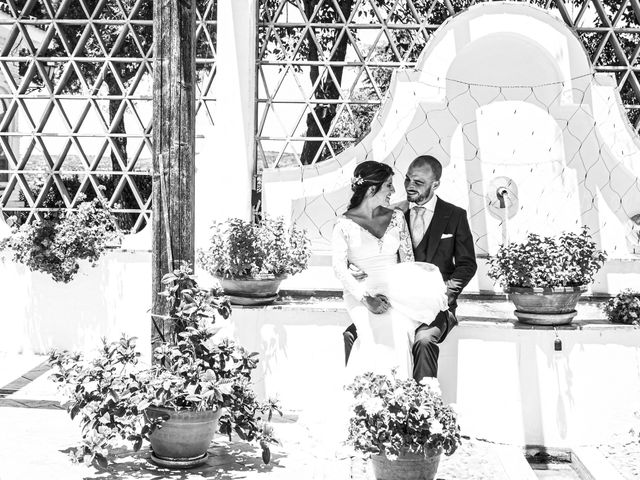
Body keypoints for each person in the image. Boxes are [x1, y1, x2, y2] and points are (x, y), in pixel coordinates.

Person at [343, 155, 477, 381]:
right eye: (407, 180)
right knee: (352, 333)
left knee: (423, 340)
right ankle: (360, 399)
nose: (409, 186)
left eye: (418, 182)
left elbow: (467, 264)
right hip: (394, 300)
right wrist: (355, 267)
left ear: (435, 184)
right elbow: (366, 250)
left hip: (437, 304)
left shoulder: (455, 216)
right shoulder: (391, 213)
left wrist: (444, 295)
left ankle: (422, 407)